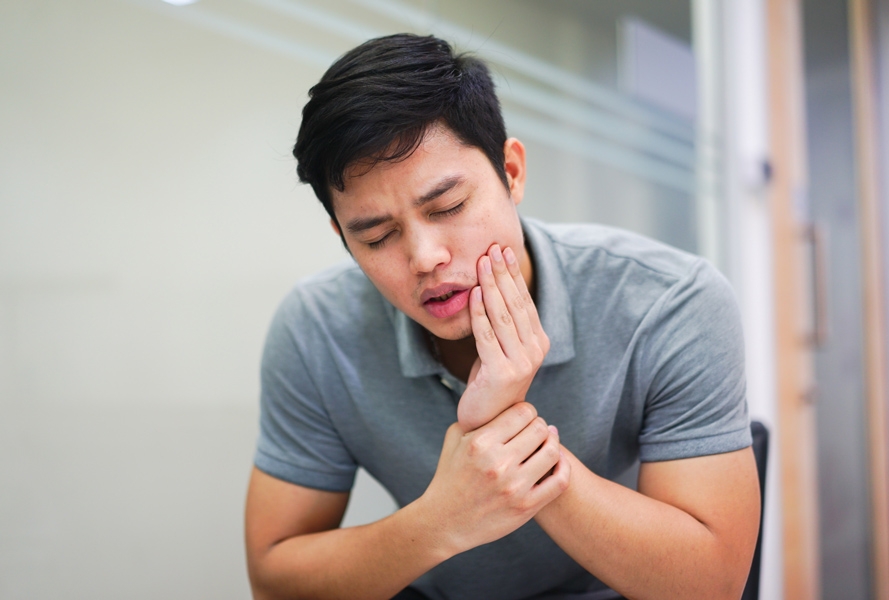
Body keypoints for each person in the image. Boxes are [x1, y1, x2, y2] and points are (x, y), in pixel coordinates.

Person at [244, 33, 760, 600]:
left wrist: (506, 434)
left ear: (511, 172)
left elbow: (712, 583)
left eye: (448, 207)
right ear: (343, 238)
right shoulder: (316, 329)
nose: (424, 258)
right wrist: (438, 522)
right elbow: (275, 578)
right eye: (377, 235)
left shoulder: (669, 302)